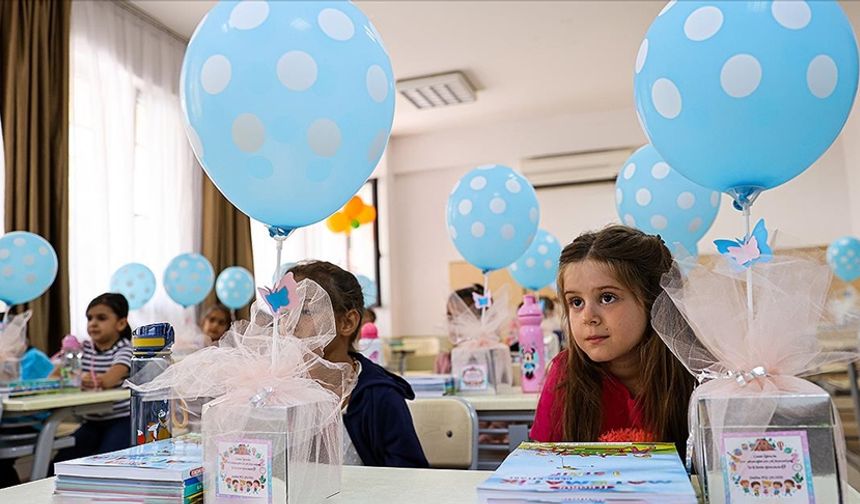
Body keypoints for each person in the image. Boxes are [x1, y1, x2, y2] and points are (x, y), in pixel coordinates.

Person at [530, 226, 696, 458]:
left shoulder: (698, 375)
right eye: (576, 302)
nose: (588, 317)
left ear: (655, 301)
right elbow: (542, 465)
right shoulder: (565, 374)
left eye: (607, 298)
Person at [288, 261, 429, 468]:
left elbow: (410, 476)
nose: (290, 322)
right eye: (286, 310)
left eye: (305, 311)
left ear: (347, 323)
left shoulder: (379, 396)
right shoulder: (275, 389)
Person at [53, 293, 134, 463]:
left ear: (121, 323)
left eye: (101, 318)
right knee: (60, 462)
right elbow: (55, 376)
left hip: (121, 420)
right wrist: (68, 355)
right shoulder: (84, 348)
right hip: (92, 421)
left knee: (107, 462)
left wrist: (78, 377)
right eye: (89, 318)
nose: (93, 323)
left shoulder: (125, 349)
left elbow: (108, 380)